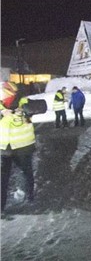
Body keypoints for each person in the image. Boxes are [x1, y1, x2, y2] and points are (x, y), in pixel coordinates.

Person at [1, 82, 36, 212]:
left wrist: (25, 111)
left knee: (26, 173)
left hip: (23, 146)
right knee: (2, 178)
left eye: (3, 90)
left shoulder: (23, 101)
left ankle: (30, 196)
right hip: (4, 147)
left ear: (9, 91)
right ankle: (1, 206)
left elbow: (37, 107)